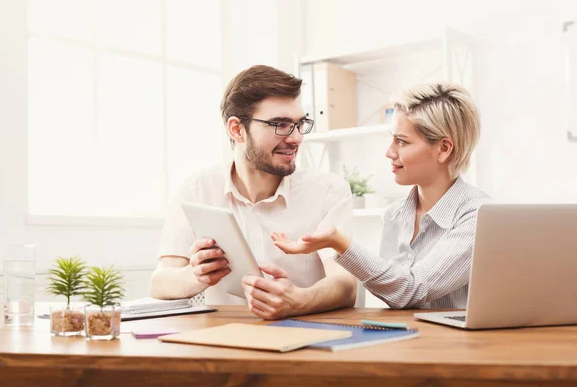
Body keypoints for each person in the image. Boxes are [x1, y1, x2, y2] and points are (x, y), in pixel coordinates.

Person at [150, 65, 357, 320]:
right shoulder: (197, 190)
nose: (296, 139)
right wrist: (195, 275)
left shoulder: (328, 192)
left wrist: (297, 301)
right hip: (223, 342)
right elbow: (160, 283)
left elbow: (346, 285)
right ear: (237, 129)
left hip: (306, 339)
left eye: (299, 124)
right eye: (280, 124)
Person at [272, 83, 491, 309]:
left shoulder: (478, 216)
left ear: (444, 149)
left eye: (402, 141)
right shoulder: (394, 215)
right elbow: (395, 298)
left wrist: (340, 243)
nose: (389, 152)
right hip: (405, 341)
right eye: (392, 139)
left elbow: (410, 290)